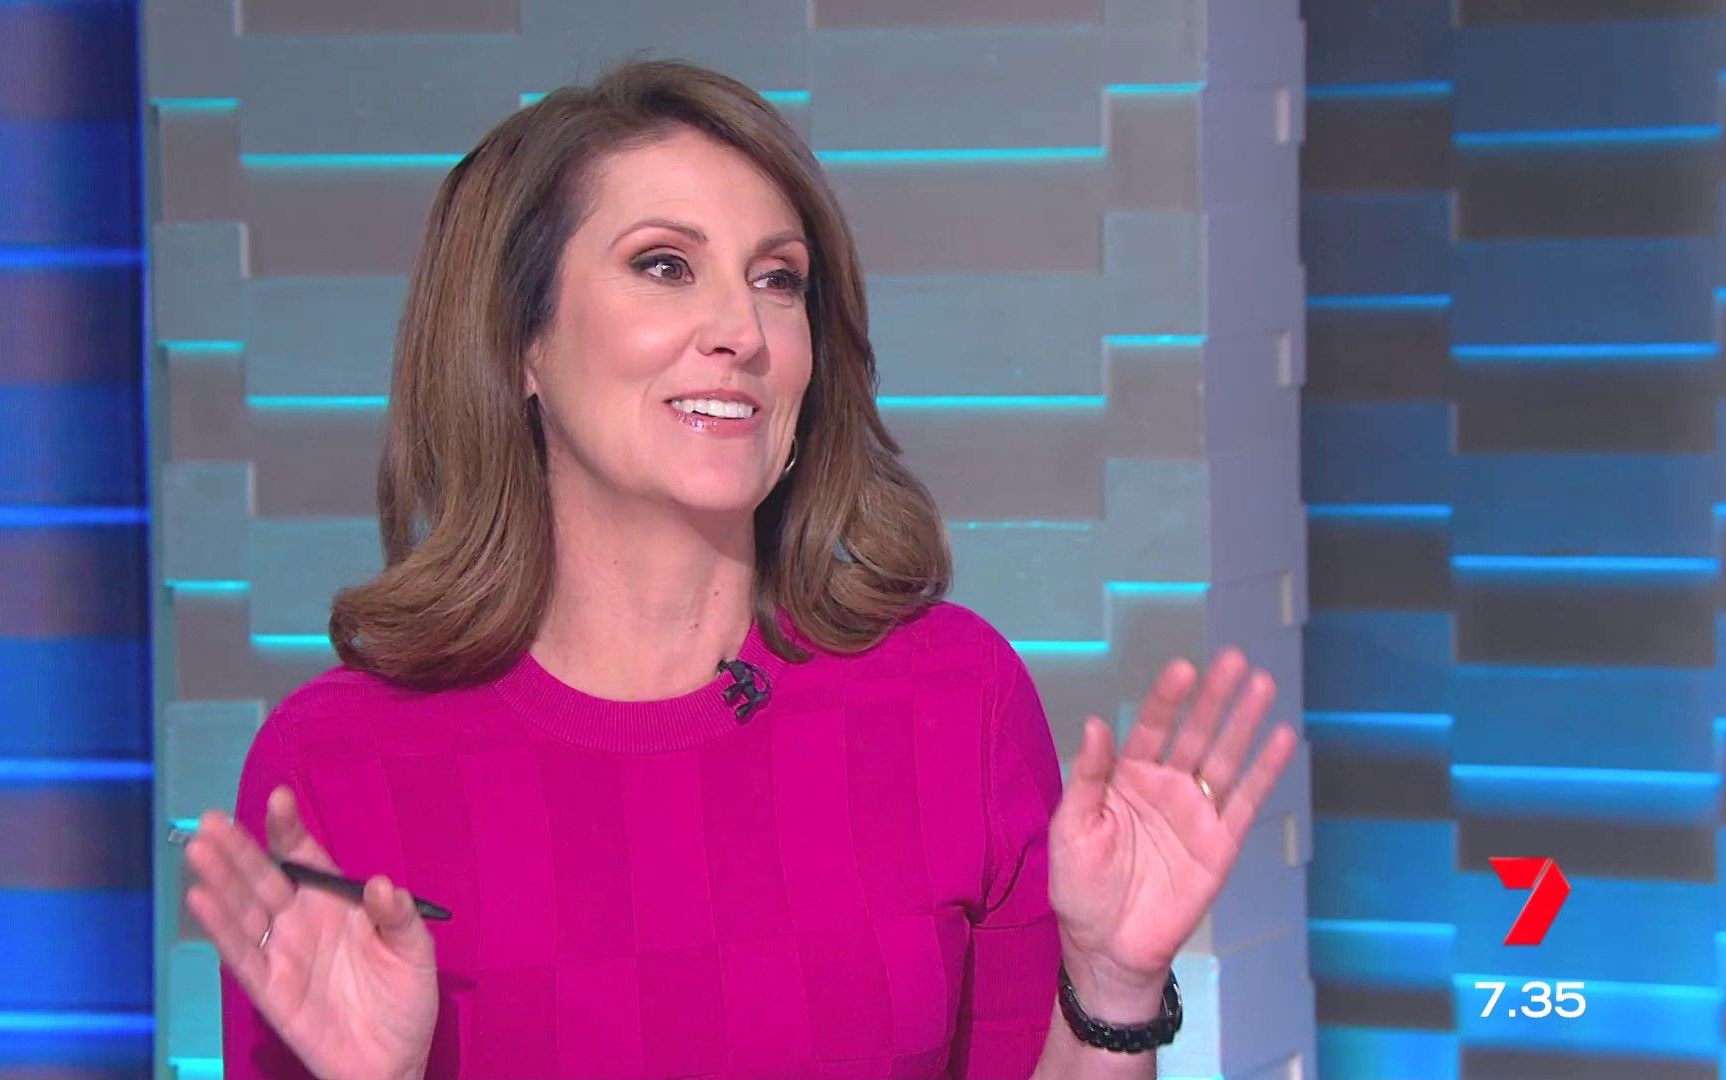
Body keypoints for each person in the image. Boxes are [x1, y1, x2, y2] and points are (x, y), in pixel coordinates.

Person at [179, 59, 1299, 1080]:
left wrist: (1112, 991)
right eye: (665, 266)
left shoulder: (953, 699)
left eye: (778, 279)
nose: (742, 331)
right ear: (521, 343)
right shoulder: (339, 763)